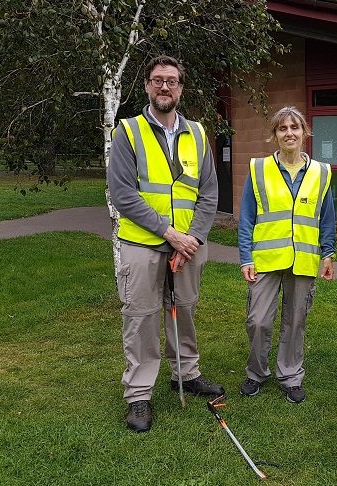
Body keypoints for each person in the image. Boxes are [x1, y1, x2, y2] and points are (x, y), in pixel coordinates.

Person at [108, 55, 224, 433]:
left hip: (189, 244)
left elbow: (209, 193)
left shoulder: (198, 133)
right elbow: (123, 195)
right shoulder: (128, 131)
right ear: (146, 86)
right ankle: (139, 394)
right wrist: (169, 233)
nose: (164, 87)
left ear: (181, 88)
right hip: (143, 244)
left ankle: (185, 374)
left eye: (172, 81)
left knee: (185, 310)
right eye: (157, 80)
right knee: (141, 317)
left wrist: (191, 238)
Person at [238, 106, 336, 404]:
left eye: (295, 127)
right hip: (265, 259)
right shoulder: (258, 169)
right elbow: (246, 216)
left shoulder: (321, 172)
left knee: (296, 321)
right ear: (275, 135)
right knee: (258, 321)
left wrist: (328, 253)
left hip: (304, 260)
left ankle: (291, 375)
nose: (289, 133)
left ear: (305, 132)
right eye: (283, 128)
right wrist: (246, 256)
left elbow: (327, 217)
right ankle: (256, 372)